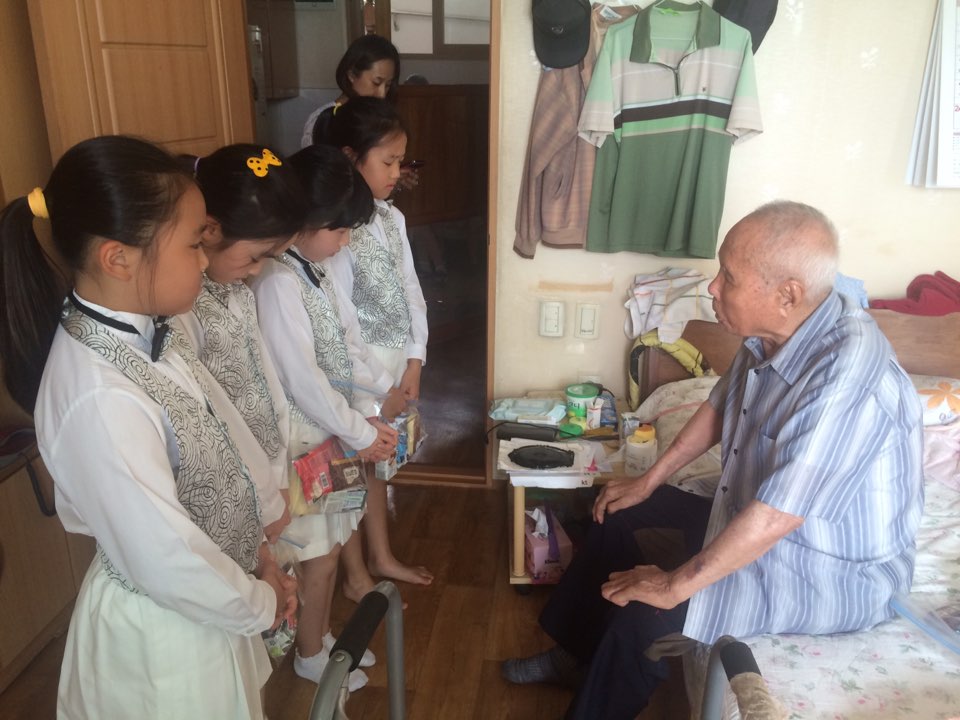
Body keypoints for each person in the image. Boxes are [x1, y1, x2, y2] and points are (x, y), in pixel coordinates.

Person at [502, 201, 924, 719]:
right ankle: (576, 654)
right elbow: (719, 407)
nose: (713, 287)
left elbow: (778, 516)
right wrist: (649, 481)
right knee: (619, 511)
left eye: (729, 277)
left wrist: (673, 584)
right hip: (757, 515)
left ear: (787, 295)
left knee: (646, 616)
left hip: (827, 567)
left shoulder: (847, 378)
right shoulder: (774, 333)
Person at [0, 135, 297, 719]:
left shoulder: (153, 332)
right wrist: (262, 602)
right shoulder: (98, 395)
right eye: (194, 245)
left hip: (214, 600)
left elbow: (222, 425)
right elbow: (167, 558)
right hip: (165, 634)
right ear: (119, 259)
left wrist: (262, 532)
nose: (205, 261)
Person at [249, 144, 402, 689]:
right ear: (307, 222)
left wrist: (379, 399)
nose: (344, 242)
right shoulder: (277, 282)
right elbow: (304, 380)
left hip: (332, 436)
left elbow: (345, 346)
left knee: (332, 548)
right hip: (303, 444)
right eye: (339, 231)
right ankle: (309, 654)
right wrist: (360, 430)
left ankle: (321, 639)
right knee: (313, 555)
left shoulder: (314, 270)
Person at [174, 144, 306, 546]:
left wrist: (277, 474)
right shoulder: (184, 309)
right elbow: (211, 420)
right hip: (230, 494)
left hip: (267, 477)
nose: (257, 270)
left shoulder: (239, 292)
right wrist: (264, 496)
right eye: (255, 257)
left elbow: (267, 385)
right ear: (210, 230)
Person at [300, 34, 400, 150]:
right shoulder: (325, 120)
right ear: (352, 75)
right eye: (376, 83)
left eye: (387, 85)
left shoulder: (383, 119)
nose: (382, 94)